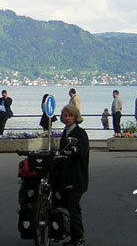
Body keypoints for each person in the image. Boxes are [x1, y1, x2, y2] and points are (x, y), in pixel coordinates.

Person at [57, 104, 89, 246]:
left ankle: (78, 238)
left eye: (70, 115)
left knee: (73, 205)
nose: (67, 118)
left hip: (77, 177)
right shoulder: (65, 132)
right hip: (65, 177)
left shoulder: (80, 133)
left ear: (76, 117)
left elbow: (82, 148)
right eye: (65, 115)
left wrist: (74, 150)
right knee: (63, 204)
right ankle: (65, 232)